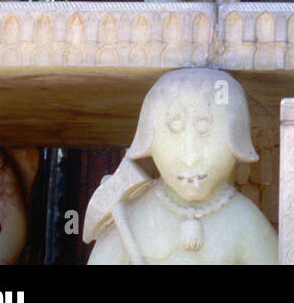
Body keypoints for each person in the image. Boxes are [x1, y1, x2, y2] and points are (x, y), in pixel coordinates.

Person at [86, 68, 277, 264]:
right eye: (174, 128)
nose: (190, 157)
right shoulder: (133, 216)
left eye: (204, 130)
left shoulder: (243, 220)